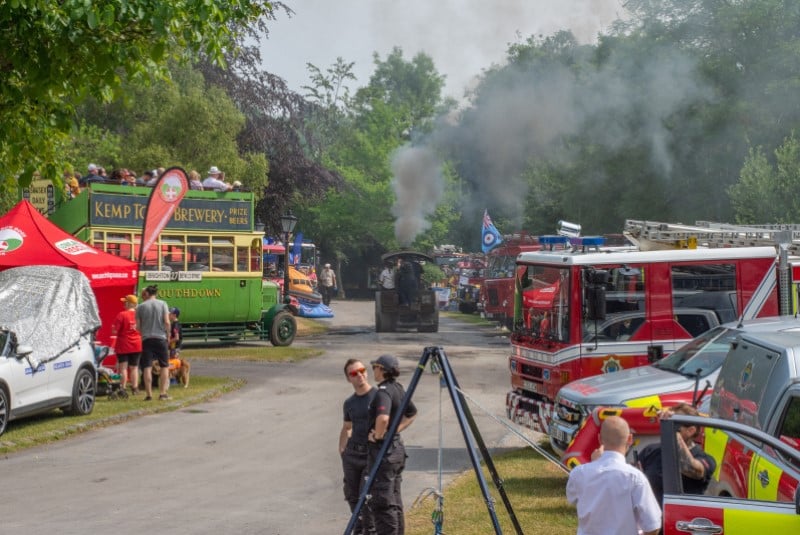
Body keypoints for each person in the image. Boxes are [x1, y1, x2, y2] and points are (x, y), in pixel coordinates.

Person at [566, 415, 662, 535]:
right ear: (630, 439)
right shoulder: (635, 478)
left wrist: (594, 463)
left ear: (600, 439)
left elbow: (573, 498)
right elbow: (652, 526)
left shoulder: (578, 473)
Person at [366, 354, 417, 535]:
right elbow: (411, 413)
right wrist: (394, 431)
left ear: (382, 369)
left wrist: (379, 436)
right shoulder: (398, 388)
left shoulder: (383, 392)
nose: (373, 370)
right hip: (396, 451)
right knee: (394, 501)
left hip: (384, 453)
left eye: (375, 367)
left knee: (383, 504)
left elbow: (383, 417)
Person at [637, 403, 716, 507]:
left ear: (691, 431)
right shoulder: (651, 451)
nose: (666, 429)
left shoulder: (705, 458)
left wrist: (672, 428)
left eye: (676, 427)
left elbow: (692, 469)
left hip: (681, 518)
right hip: (652, 518)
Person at [339, 359, 377, 535]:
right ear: (349, 379)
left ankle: (369, 530)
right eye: (354, 373)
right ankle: (359, 528)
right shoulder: (349, 403)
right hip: (352, 454)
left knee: (366, 497)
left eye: (361, 370)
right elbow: (347, 427)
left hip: (371, 455)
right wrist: (342, 450)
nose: (359, 375)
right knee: (352, 496)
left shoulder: (378, 397)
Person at [135, 285, 172, 401]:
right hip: (160, 338)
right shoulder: (163, 304)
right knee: (164, 366)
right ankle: (163, 393)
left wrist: (143, 333)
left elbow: (137, 326)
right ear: (156, 293)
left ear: (147, 294)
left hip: (147, 339)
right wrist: (168, 334)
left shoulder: (140, 307)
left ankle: (149, 394)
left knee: (147, 367)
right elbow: (166, 322)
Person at [111, 294, 142, 395]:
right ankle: (135, 388)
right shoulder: (139, 315)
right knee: (134, 367)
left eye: (125, 302)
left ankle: (123, 388)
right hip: (136, 344)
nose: (124, 303)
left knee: (123, 367)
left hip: (124, 344)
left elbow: (115, 331)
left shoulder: (122, 315)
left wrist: (113, 328)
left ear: (130, 303)